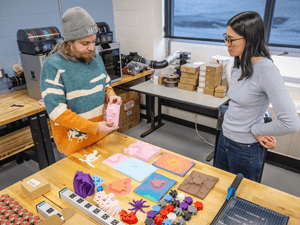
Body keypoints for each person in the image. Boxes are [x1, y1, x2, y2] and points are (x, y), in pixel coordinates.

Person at [215, 11, 300, 182]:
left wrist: (257, 130)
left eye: (231, 39)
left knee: (241, 199)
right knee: (218, 188)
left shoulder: (267, 71)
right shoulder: (238, 62)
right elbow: (238, 104)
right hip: (225, 138)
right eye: (226, 37)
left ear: (250, 39)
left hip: (245, 148)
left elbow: (291, 123)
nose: (226, 44)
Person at [40, 7, 121, 159]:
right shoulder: (53, 66)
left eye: (93, 41)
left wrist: (110, 95)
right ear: (69, 42)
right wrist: (94, 127)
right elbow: (58, 113)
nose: (91, 48)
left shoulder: (95, 59)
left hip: (99, 137)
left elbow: (105, 85)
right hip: (73, 146)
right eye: (85, 43)